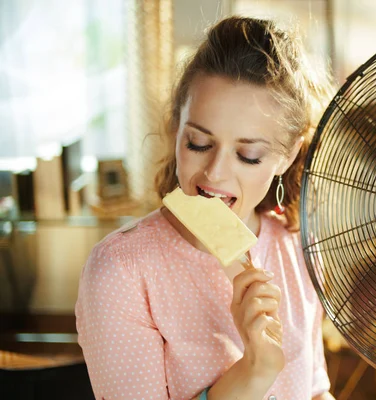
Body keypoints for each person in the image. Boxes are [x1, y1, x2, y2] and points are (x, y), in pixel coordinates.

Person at [75, 16, 336, 400]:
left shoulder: (296, 248)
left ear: (288, 154)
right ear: (176, 127)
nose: (214, 171)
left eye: (248, 155)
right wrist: (253, 372)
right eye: (198, 143)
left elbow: (314, 390)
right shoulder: (122, 272)